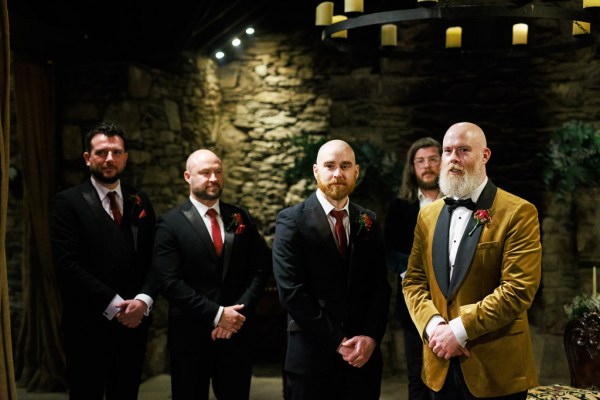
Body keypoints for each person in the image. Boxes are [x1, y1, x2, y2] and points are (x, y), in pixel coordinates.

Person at [402, 122, 542, 400]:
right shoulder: (427, 216)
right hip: (439, 364)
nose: (453, 158)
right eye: (447, 151)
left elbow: (517, 290)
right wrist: (435, 328)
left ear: (485, 156)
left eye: (463, 150)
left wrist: (458, 330)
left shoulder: (518, 212)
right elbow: (414, 282)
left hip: (497, 369)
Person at [272, 139, 391, 400]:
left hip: (362, 358)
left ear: (356, 172)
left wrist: (370, 337)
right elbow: (292, 292)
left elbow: (380, 286)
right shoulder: (292, 220)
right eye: (330, 166)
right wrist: (338, 342)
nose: (338, 173)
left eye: (345, 166)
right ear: (316, 171)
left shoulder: (367, 220)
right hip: (312, 359)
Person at [152, 149, 271, 400]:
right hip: (190, 337)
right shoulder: (169, 223)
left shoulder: (239, 217)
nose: (213, 178)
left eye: (218, 171)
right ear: (188, 176)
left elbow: (260, 268)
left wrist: (236, 314)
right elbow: (169, 282)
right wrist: (217, 315)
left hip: (236, 336)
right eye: (205, 173)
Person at [51, 122, 157, 400]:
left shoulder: (139, 200)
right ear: (88, 158)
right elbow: (66, 264)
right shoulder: (68, 202)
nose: (109, 159)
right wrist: (114, 304)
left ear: (125, 157)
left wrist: (143, 300)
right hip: (87, 325)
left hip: (134, 324)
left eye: (116, 152)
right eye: (101, 152)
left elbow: (153, 258)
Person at [384, 137, 443, 400]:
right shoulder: (400, 206)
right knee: (417, 375)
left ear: (443, 162)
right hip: (413, 303)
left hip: (454, 300)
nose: (427, 166)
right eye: (420, 161)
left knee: (453, 376)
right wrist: (412, 272)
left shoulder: (459, 200)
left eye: (433, 159)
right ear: (412, 167)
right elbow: (388, 251)